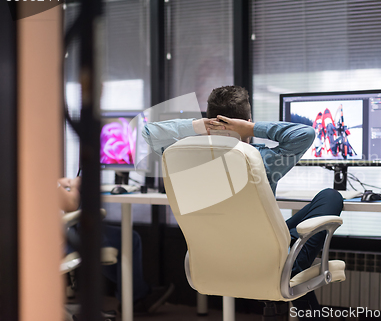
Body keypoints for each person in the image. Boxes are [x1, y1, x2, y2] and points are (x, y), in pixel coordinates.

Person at [142, 85, 343, 320]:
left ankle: (309, 309)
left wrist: (200, 126)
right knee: (331, 196)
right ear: (247, 120)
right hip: (265, 260)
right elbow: (305, 133)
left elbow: (149, 132)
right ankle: (294, 276)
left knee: (289, 225)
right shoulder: (261, 159)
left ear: (209, 120)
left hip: (216, 260)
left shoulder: (184, 158)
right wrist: (251, 128)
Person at [57, 176, 174, 315]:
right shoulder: (40, 177)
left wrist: (60, 182)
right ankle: (137, 298)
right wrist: (76, 185)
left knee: (117, 241)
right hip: (62, 245)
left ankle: (138, 295)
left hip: (45, 245)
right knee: (129, 239)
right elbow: (72, 203)